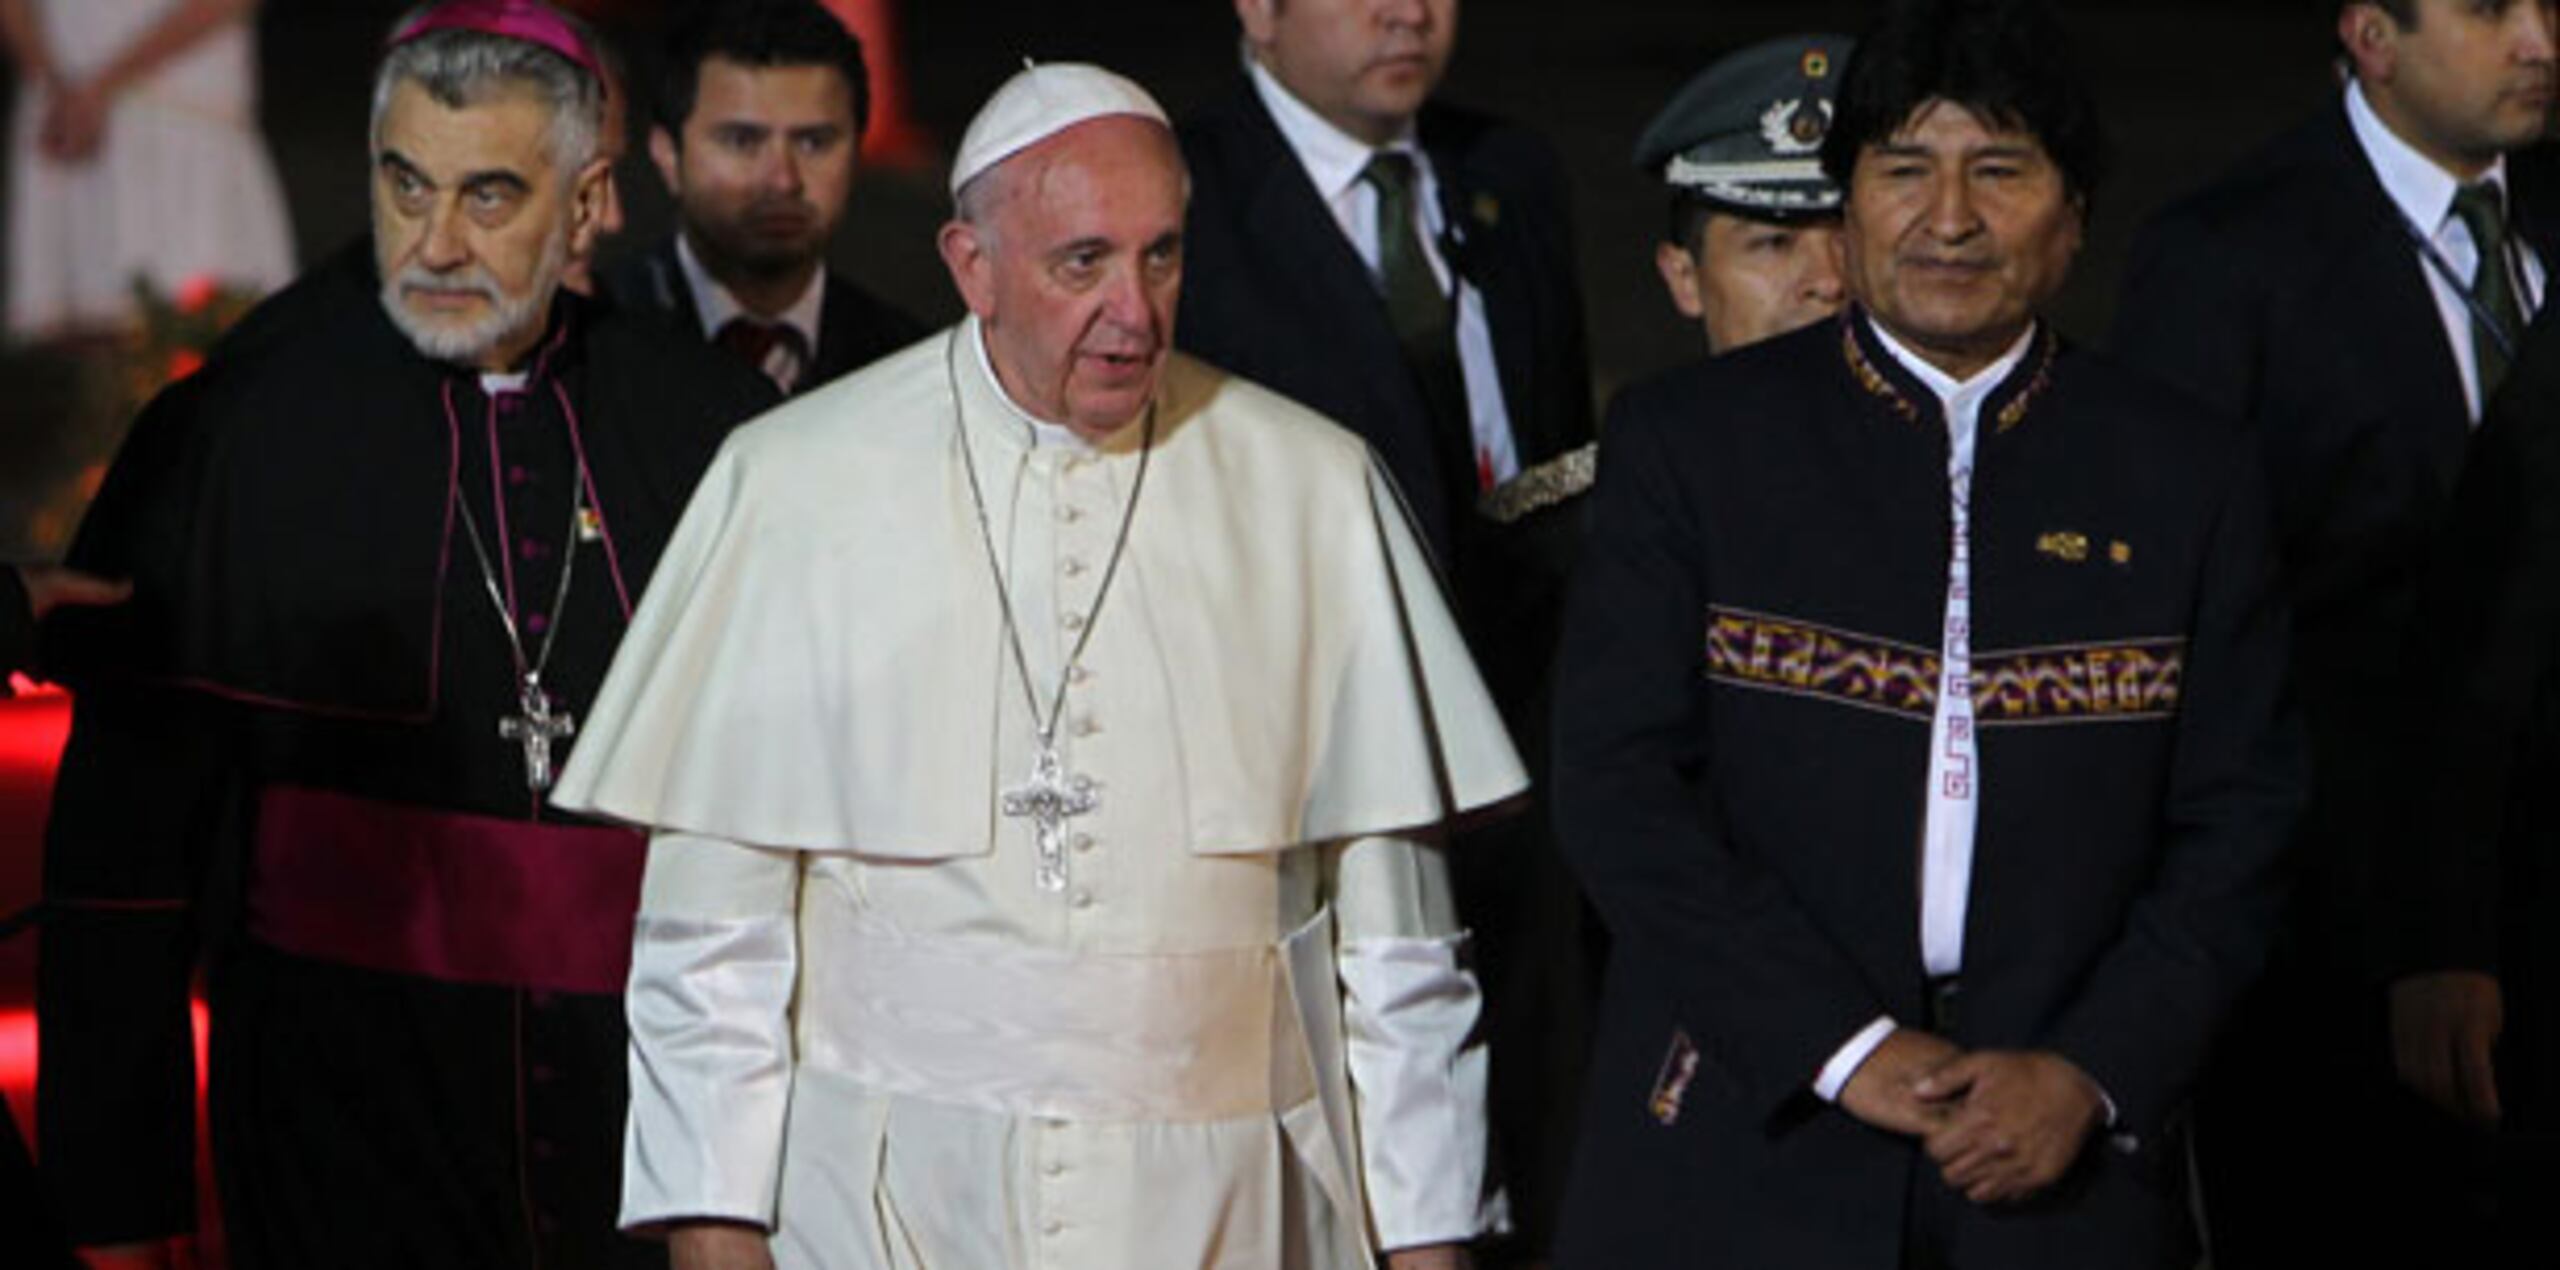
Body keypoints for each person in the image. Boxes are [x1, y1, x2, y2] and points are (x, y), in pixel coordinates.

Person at [550, 61, 1517, 1270]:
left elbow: (1400, 954)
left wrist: (1430, 1245)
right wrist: (714, 1232)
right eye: (1083, 262)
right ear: (972, 266)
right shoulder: (794, 483)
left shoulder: (1312, 491)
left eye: (1161, 255)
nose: (1135, 311)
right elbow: (710, 948)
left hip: (1235, 1206)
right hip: (882, 1210)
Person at [1549, 2, 2303, 1266]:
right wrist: (1846, 1050)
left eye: (1998, 172)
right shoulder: (1691, 445)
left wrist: (2090, 1069)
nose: (1947, 218)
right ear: (1847, 208)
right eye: (1903, 171)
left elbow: (2243, 818)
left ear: (2073, 217)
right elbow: (1619, 788)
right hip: (1745, 1131)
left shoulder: (2187, 476)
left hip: (2058, 1167)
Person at [34, 3, 774, 1266]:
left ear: (590, 198)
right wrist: (122, 1205)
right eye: (404, 184)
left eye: (490, 196)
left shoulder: (708, 431)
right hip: (345, 1111)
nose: (435, 242)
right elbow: (123, 863)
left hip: (650, 1118)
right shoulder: (239, 436)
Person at [2111, 2, 2556, 1262]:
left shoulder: (2546, 215)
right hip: (2332, 952)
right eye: (2487, 10)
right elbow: (2186, 629)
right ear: (2371, 34)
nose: (2539, 40)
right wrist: (2415, 932)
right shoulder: (2225, 259)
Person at [1174, 7, 1596, 1252]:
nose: (1406, 11)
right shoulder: (1186, 198)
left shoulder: (1506, 175)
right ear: (1255, 9)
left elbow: (1551, 467)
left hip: (1518, 755)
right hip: (1306, 757)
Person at [604, 0, 920, 396]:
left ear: (856, 151)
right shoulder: (586, 347)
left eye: (814, 142)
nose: (783, 180)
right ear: (667, 154)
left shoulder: (909, 368)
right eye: (742, 141)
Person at [1, 0, 294, 340]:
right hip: (64, 123)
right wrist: (54, 84)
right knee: (80, 335)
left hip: (179, 110)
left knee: (199, 328)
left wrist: (102, 85)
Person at [1632, 32, 1852, 357]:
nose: (1829, 281)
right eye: (1776, 243)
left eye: (1853, 240)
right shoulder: (1640, 409)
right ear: (1685, 278)